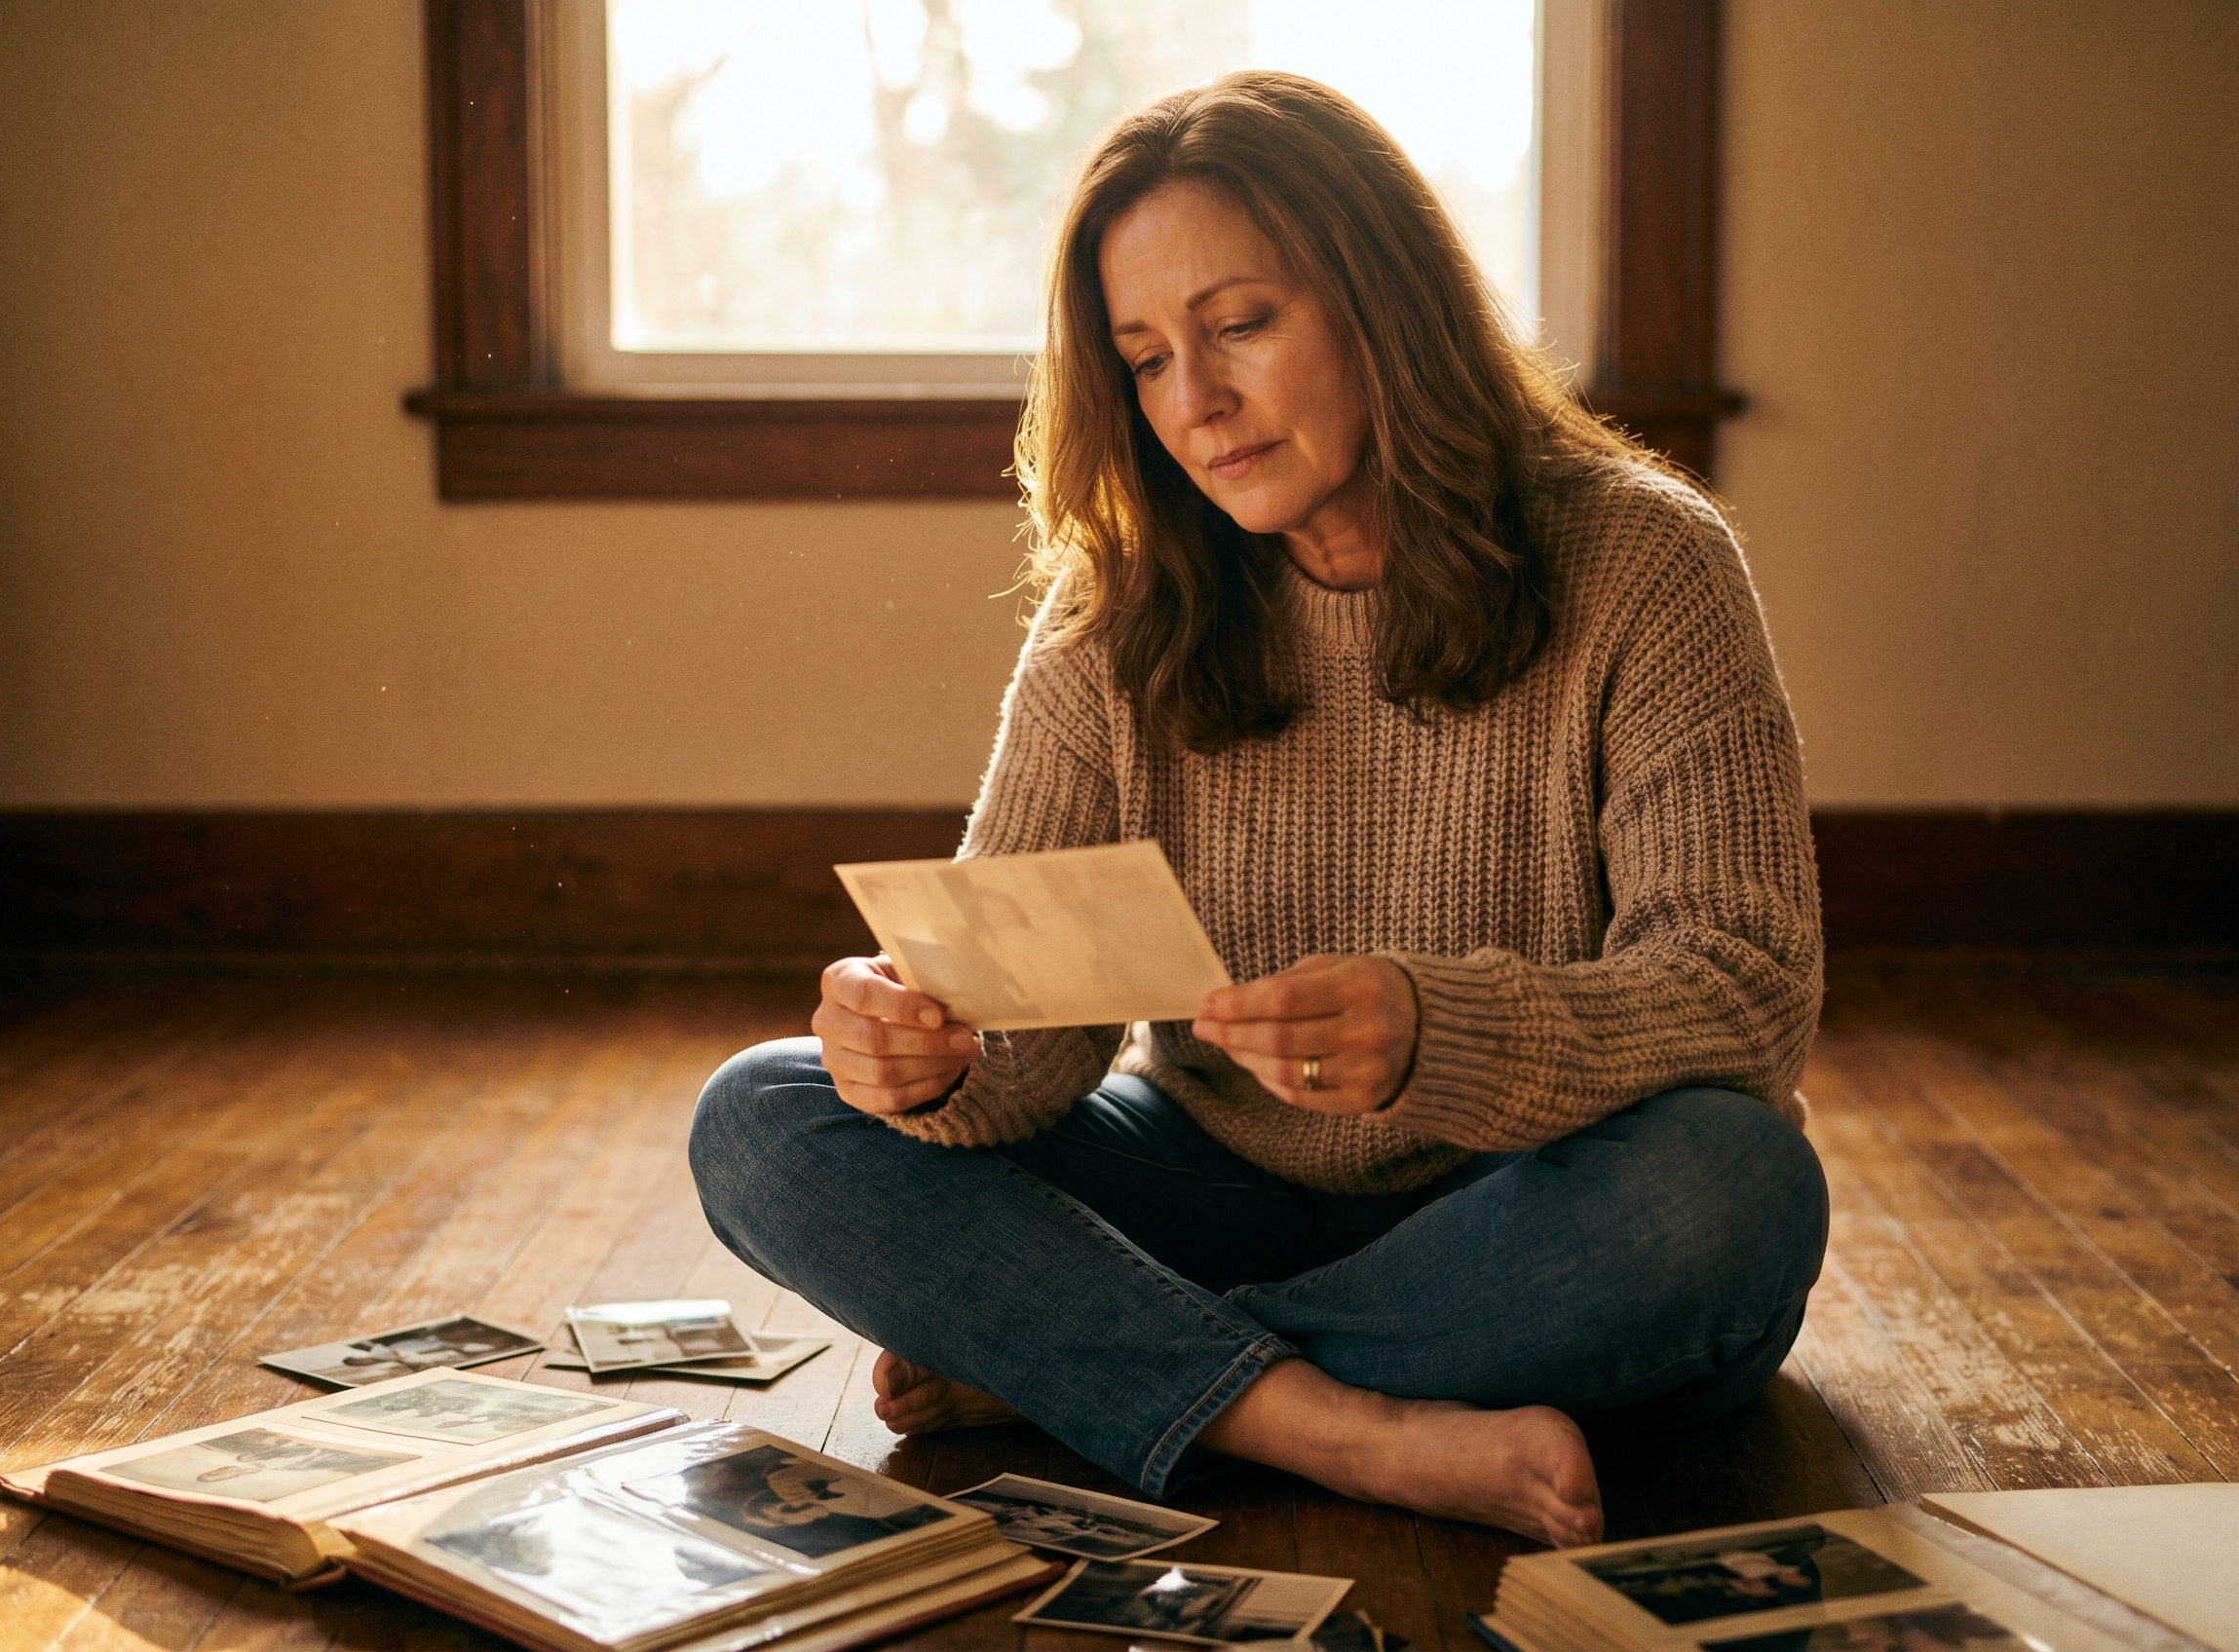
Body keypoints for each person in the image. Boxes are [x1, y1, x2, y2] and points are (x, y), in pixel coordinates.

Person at [691, 70, 1827, 1549]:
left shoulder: (1643, 563)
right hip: (1213, 1180)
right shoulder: (1124, 602)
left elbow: (1741, 996)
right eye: (1147, 357)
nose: (1195, 404)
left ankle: (1101, 1367)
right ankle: (1342, 1428)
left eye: (1239, 326)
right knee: (764, 1115)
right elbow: (1028, 1057)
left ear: (1385, 302)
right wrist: (926, 1051)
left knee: (1733, 1193)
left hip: (1534, 1210)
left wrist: (1441, 1032)